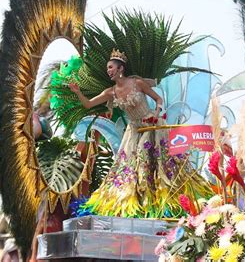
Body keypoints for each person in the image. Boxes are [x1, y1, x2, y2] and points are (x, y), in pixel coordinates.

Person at [69, 49, 211, 218]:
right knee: (130, 166)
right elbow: (88, 104)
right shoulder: (111, 92)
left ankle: (164, 200)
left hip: (151, 125)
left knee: (160, 164)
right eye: (107, 68)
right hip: (134, 130)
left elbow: (158, 99)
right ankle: (137, 202)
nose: (109, 71)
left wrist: (156, 113)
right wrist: (77, 92)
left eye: (111, 67)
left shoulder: (137, 83)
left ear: (120, 68)